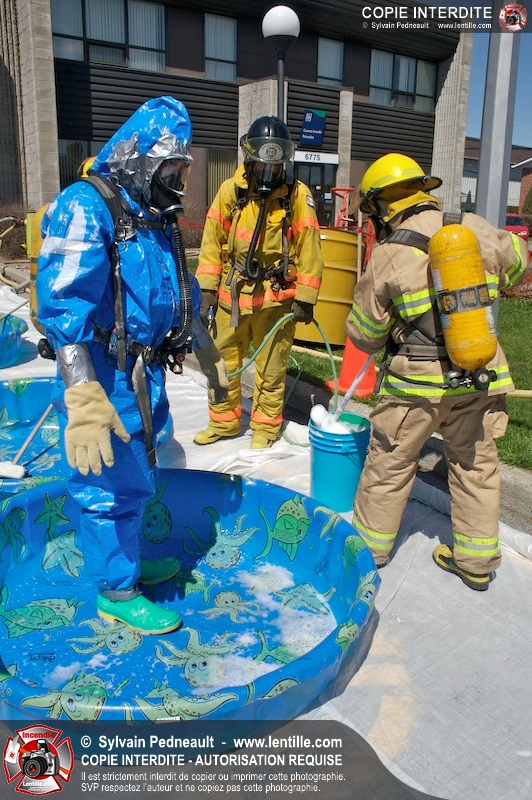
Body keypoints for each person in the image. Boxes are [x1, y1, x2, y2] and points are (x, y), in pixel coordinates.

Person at [36, 96, 228, 633]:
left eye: (181, 170)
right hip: (103, 375)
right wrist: (82, 393)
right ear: (139, 158)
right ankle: (115, 592)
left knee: (137, 476)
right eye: (171, 170)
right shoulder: (87, 206)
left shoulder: (152, 218)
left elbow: (179, 290)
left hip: (145, 374)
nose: (178, 182)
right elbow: (62, 301)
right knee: (106, 486)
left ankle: (130, 562)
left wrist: (206, 350)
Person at [345, 153, 527, 591]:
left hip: (417, 385)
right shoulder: (474, 227)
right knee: (475, 466)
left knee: (390, 463)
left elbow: (365, 335)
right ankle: (476, 563)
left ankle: (368, 555)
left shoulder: (388, 253)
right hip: (480, 374)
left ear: (382, 205)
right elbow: (519, 265)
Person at [193, 116, 324, 449]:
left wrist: (306, 297)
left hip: (275, 299)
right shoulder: (231, 190)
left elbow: (309, 245)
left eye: (274, 165)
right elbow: (211, 239)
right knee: (221, 362)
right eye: (262, 164)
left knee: (271, 367)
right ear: (249, 158)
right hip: (232, 297)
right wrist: (206, 289)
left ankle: (265, 429)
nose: (267, 172)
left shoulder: (297, 195)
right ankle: (223, 423)